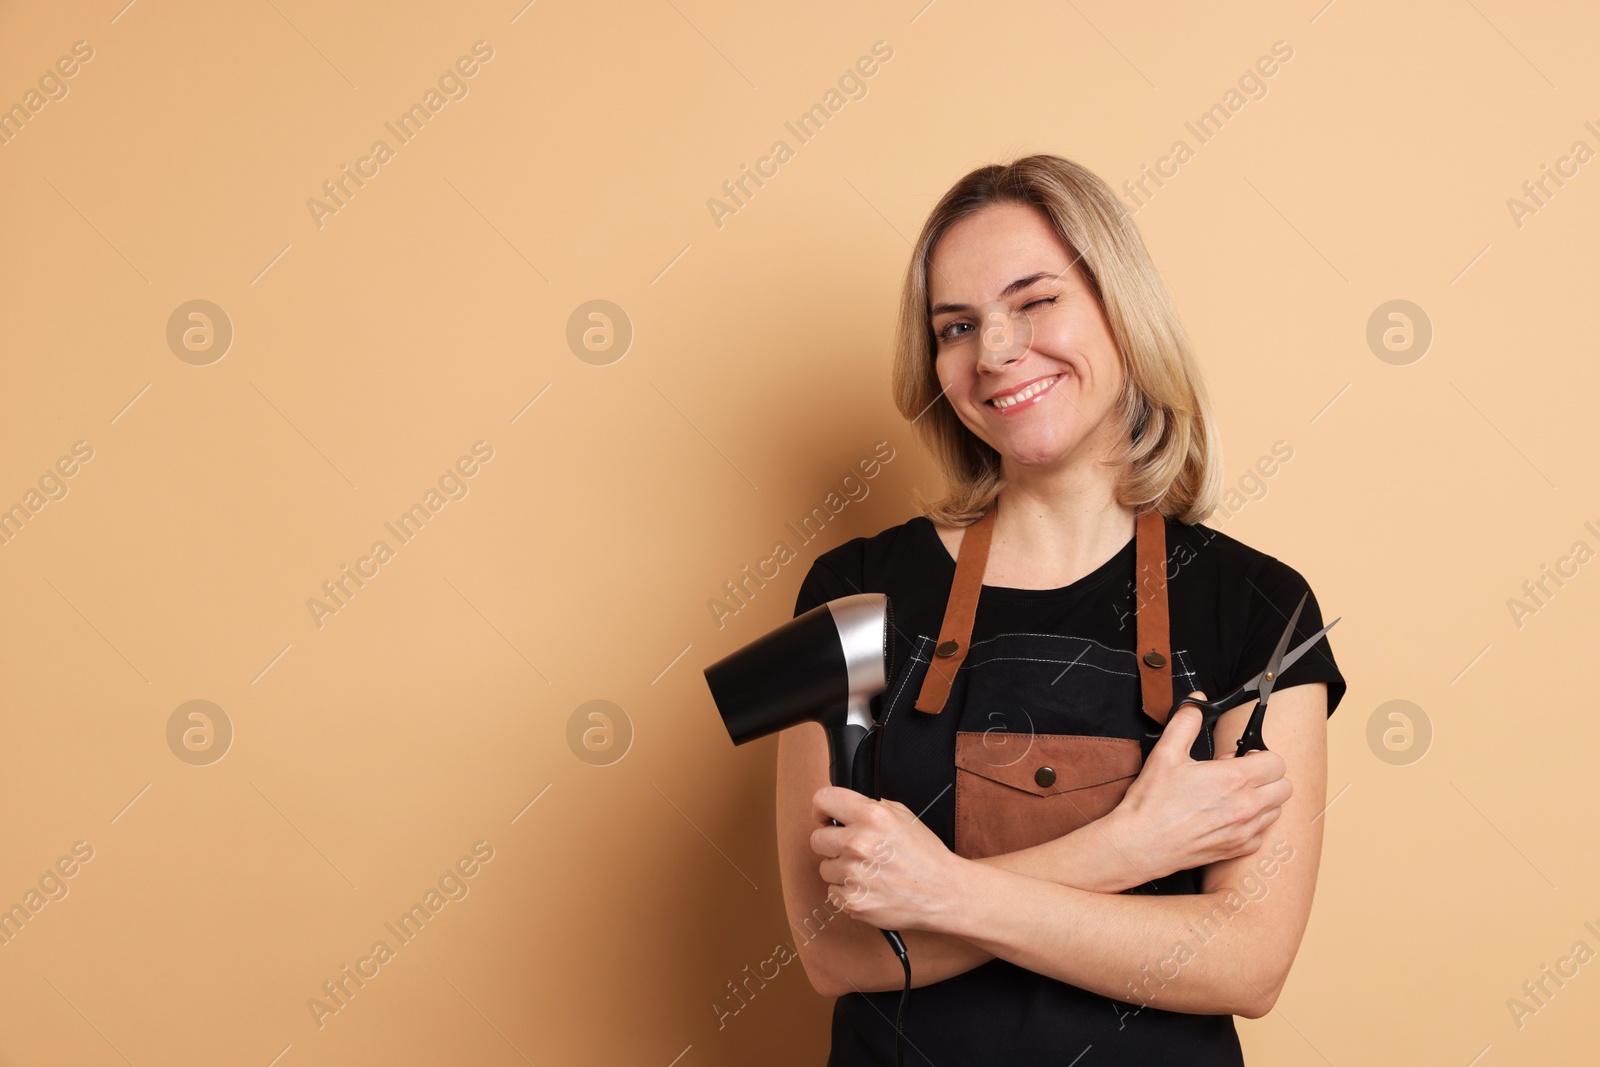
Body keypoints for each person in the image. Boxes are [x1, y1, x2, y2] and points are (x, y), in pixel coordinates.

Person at [775, 154, 1346, 1065]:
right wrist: (1123, 849)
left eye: (1034, 300)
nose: (995, 351)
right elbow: (830, 948)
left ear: (1123, 310)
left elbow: (1246, 962)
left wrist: (937, 892)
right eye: (956, 325)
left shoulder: (1262, 610)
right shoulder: (848, 596)